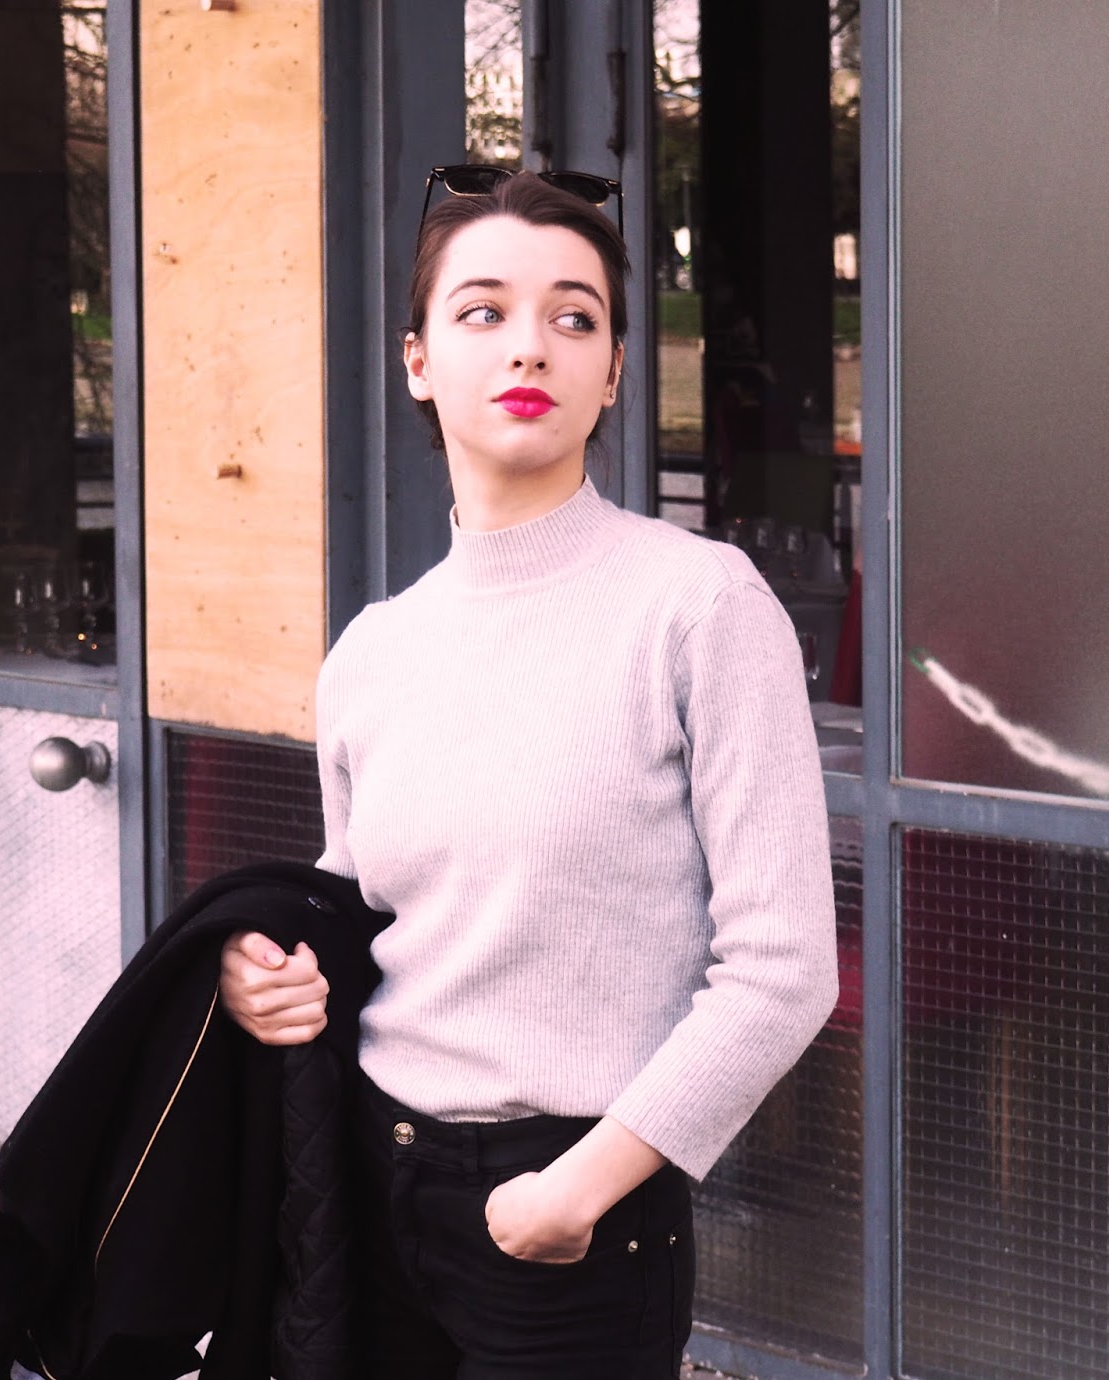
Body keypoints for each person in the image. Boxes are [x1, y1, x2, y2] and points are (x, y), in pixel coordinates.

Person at [216, 169, 838, 1379]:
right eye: (483, 311)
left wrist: (582, 1186)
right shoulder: (373, 650)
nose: (530, 346)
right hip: (367, 1183)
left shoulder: (698, 605)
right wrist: (270, 981)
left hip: (574, 1213)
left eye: (574, 317)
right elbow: (361, 913)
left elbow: (783, 966)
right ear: (417, 361)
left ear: (611, 373)